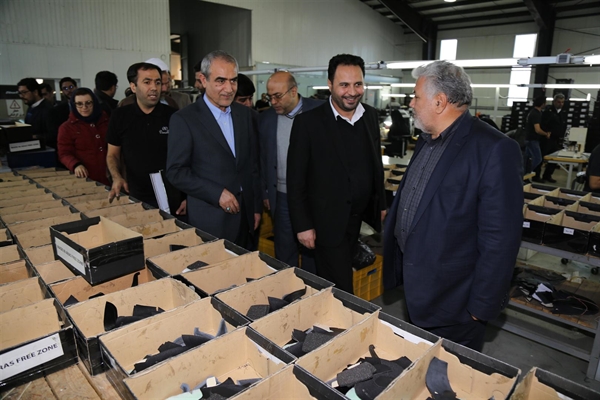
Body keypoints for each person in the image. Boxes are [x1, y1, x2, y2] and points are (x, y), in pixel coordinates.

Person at [382, 60, 523, 351]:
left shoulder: (494, 149)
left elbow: (500, 239)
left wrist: (482, 304)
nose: (411, 103)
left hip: (456, 300)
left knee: (449, 371)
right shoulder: (427, 139)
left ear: (439, 101)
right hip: (419, 286)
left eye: (416, 96)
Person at [287, 54, 385, 293]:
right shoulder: (308, 123)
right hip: (327, 223)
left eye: (358, 84)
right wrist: (303, 225)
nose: (352, 92)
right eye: (344, 85)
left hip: (359, 220)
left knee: (342, 278)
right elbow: (296, 179)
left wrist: (380, 204)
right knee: (340, 287)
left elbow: (375, 165)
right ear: (330, 84)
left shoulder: (370, 116)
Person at [167, 50, 261, 249]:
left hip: (246, 219)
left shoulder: (245, 115)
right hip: (210, 220)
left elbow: (252, 165)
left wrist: (255, 207)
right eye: (220, 81)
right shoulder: (184, 119)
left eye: (233, 81)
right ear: (203, 80)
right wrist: (216, 193)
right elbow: (176, 172)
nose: (229, 89)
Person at [259, 71, 322, 273]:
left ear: (293, 91)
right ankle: (288, 286)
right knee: (285, 249)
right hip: (281, 195)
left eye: (278, 96)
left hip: (313, 195)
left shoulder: (320, 111)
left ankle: (313, 286)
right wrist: (265, 191)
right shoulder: (266, 119)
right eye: (270, 97)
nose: (273, 102)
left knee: (313, 247)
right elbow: (262, 158)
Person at [106, 62, 186, 216]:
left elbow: (186, 157)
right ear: (133, 87)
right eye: (147, 82)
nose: (154, 87)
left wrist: (187, 197)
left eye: (157, 82)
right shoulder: (120, 116)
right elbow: (112, 154)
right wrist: (117, 177)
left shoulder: (174, 116)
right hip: (135, 194)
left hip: (172, 196)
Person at [57, 88, 110, 185]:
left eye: (88, 103)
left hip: (111, 175)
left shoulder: (106, 121)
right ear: (74, 105)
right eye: (79, 104)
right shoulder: (67, 128)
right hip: (86, 177)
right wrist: (75, 165)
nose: (84, 107)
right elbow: (64, 153)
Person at [540, 93, 567, 183]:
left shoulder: (563, 113)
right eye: (559, 102)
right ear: (554, 102)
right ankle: (536, 176)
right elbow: (543, 124)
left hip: (556, 139)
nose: (561, 104)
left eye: (562, 102)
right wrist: (546, 133)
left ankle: (547, 175)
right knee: (541, 158)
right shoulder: (548, 112)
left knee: (554, 158)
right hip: (547, 139)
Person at [47, 77, 78, 151]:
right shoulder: (57, 110)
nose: (69, 90)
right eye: (65, 88)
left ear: (76, 87)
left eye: (71, 87)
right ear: (62, 91)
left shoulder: (86, 105)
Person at [524, 95, 551, 179]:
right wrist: (546, 134)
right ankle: (526, 173)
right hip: (532, 139)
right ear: (542, 103)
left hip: (528, 138)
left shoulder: (532, 112)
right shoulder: (536, 114)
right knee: (538, 158)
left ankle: (525, 175)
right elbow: (538, 130)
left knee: (527, 159)